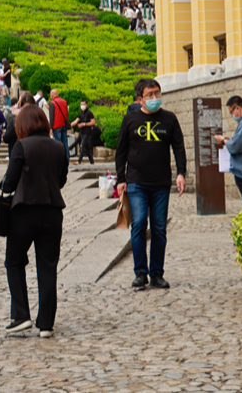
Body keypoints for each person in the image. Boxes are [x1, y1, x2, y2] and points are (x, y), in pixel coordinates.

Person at [1, 104, 68, 336]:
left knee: (14, 262)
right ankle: (46, 324)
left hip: (24, 211)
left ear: (23, 126)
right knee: (47, 267)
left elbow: (9, 183)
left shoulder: (21, 146)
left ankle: (21, 315)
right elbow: (61, 180)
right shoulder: (59, 146)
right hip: (52, 211)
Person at [115, 78, 188, 291]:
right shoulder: (130, 119)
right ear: (140, 99)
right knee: (138, 224)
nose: (155, 98)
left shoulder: (169, 119)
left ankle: (157, 273)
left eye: (157, 93)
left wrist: (181, 173)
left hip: (161, 183)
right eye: (150, 95)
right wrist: (121, 179)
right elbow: (121, 151)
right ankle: (140, 273)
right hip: (136, 182)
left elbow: (179, 147)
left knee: (159, 228)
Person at [75, 100, 99, 165]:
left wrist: (84, 124)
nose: (82, 106)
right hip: (82, 132)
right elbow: (76, 121)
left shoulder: (89, 113)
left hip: (88, 132)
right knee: (87, 147)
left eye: (84, 104)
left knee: (82, 146)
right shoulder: (81, 114)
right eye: (81, 104)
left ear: (86, 105)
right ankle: (92, 161)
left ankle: (79, 161)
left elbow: (93, 122)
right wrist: (68, 126)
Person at [49, 89, 70, 163]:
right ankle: (67, 158)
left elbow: (51, 116)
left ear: (52, 95)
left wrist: (50, 128)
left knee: (58, 143)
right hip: (64, 124)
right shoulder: (64, 101)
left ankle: (60, 160)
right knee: (65, 142)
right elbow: (66, 113)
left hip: (56, 125)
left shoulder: (52, 103)